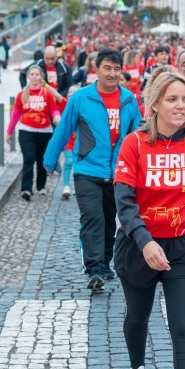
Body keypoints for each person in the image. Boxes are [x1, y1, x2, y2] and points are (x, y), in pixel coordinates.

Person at [113, 71, 185, 369]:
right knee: (137, 317)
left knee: (183, 327)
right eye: (172, 99)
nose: (181, 106)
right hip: (138, 246)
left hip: (183, 247)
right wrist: (145, 242)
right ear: (155, 104)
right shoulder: (135, 144)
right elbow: (124, 203)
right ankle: (137, 368)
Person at [44, 47, 142, 291]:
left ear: (121, 71)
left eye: (116, 69)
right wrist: (49, 160)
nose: (111, 73)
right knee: (92, 218)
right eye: (106, 68)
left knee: (111, 220)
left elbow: (139, 135)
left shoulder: (129, 100)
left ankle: (105, 263)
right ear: (96, 70)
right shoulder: (81, 98)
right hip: (87, 169)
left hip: (119, 172)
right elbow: (64, 129)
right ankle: (94, 269)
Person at [7, 65, 61, 200]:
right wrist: (9, 131)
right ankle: (26, 189)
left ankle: (41, 186)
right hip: (26, 131)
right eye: (32, 74)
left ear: (41, 77)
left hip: (45, 131)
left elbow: (53, 109)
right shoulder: (22, 94)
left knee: (41, 159)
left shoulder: (46, 94)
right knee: (29, 157)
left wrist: (56, 117)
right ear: (28, 77)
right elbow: (15, 114)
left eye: (37, 74)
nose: (35, 77)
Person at [59, 85, 80, 199]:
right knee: (69, 161)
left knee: (78, 164)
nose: (71, 94)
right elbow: (56, 95)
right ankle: (66, 186)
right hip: (68, 141)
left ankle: (78, 186)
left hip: (80, 142)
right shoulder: (64, 104)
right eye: (70, 92)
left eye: (74, 92)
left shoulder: (84, 106)